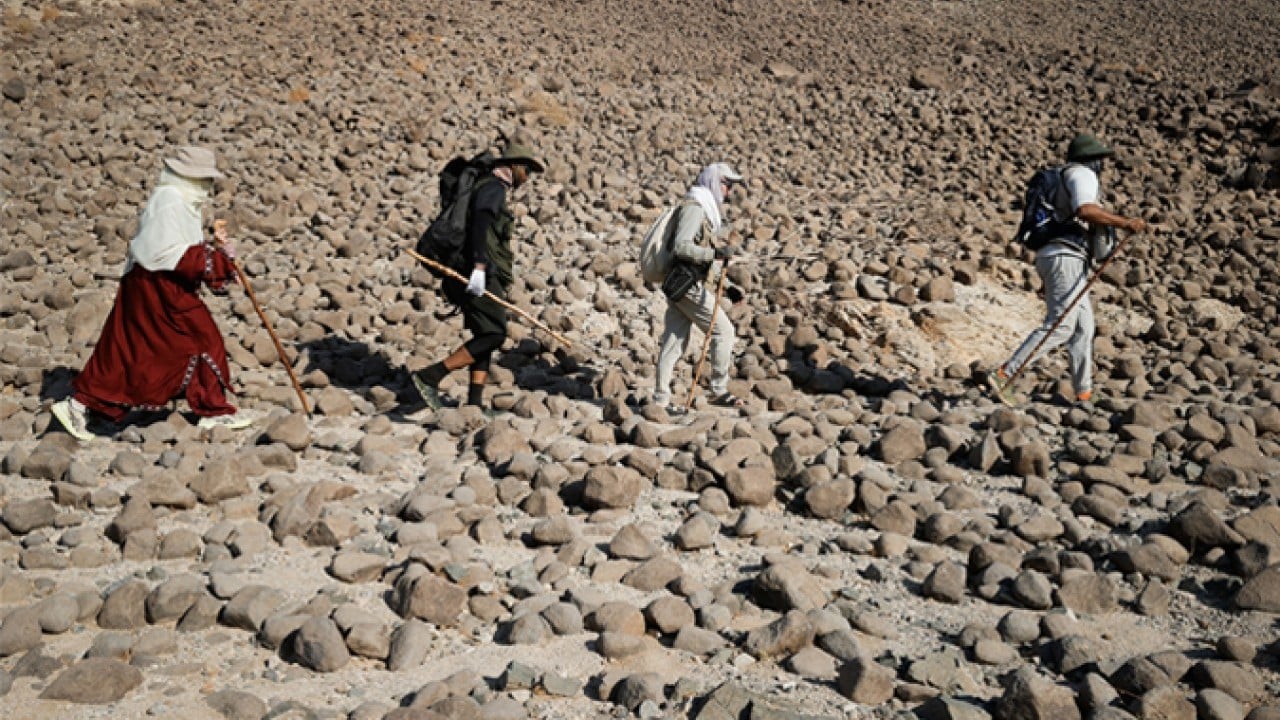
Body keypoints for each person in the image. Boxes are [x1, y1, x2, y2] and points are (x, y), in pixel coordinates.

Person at [50, 146, 251, 440]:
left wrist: (218, 254)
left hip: (156, 287)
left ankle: (79, 405)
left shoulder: (180, 201)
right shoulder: (170, 202)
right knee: (201, 340)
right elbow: (171, 254)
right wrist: (218, 261)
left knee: (134, 352)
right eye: (204, 180)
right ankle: (212, 411)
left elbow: (180, 249)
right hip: (157, 290)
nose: (208, 187)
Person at [988, 133, 1147, 405]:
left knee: (1084, 326)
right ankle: (1006, 373)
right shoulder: (1082, 175)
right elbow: (1085, 210)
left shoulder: (1059, 176)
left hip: (1056, 255)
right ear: (1093, 160)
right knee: (1061, 325)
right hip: (1066, 255)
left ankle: (1083, 392)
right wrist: (1124, 223)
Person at [411, 138, 545, 415]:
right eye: (527, 170)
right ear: (514, 166)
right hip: (474, 270)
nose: (528, 177)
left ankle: (474, 404)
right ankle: (430, 377)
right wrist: (480, 267)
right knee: (495, 333)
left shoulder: (485, 185)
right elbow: (480, 225)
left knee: (483, 333)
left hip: (468, 268)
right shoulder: (494, 188)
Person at [652, 162, 746, 412]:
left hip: (679, 283)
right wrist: (715, 254)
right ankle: (718, 390)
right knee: (723, 331)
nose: (729, 191)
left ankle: (660, 400)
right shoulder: (695, 208)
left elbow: (699, 256)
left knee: (673, 341)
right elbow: (682, 247)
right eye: (727, 184)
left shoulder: (702, 208)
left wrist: (725, 287)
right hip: (686, 284)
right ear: (714, 181)